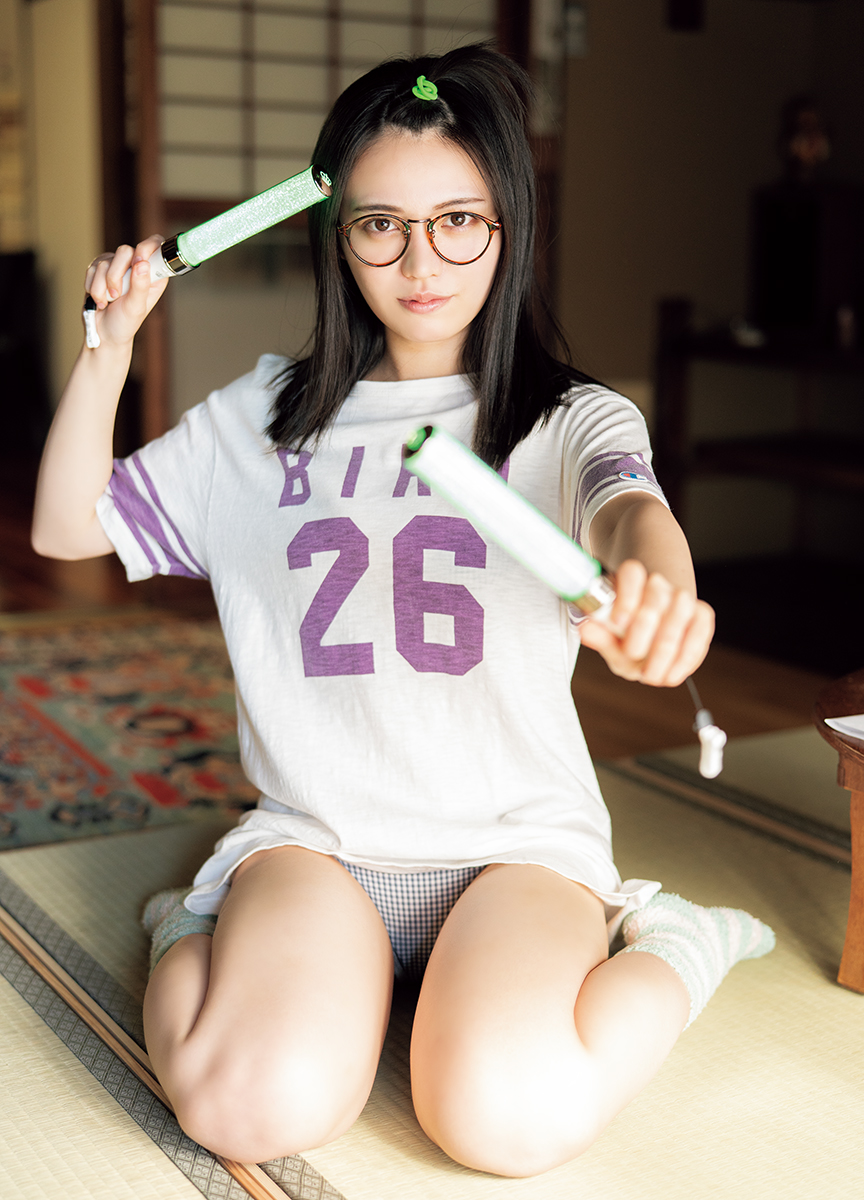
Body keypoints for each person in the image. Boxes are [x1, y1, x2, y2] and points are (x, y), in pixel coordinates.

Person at [32, 45, 774, 1179]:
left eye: (458, 222)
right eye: (380, 225)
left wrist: (655, 585)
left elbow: (631, 509)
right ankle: (193, 917)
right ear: (339, 237)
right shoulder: (262, 418)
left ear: (509, 227)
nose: (420, 262)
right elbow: (64, 529)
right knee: (242, 1108)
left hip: (516, 845)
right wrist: (110, 346)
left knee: (500, 1120)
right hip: (318, 842)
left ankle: (677, 943)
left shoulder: (570, 417)